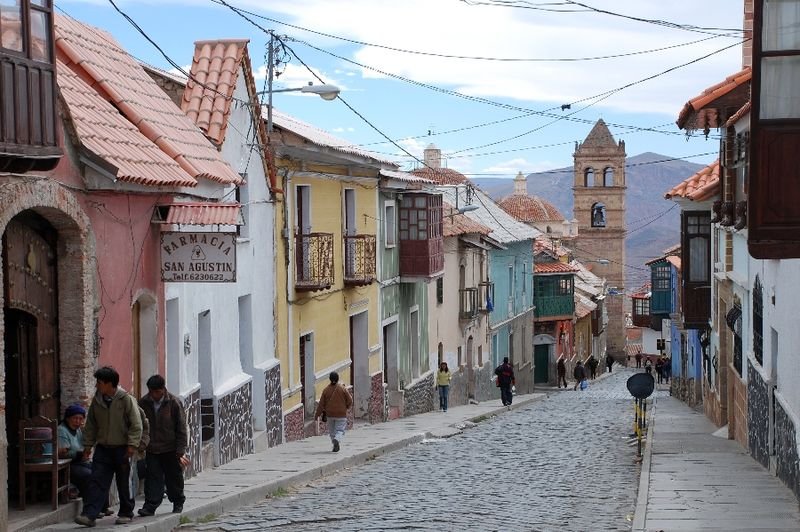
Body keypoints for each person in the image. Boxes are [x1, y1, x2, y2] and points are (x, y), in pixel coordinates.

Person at [75, 366, 143, 527]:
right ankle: (90, 514)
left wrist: (132, 445)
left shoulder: (125, 399)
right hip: (103, 449)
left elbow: (136, 424)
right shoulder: (97, 401)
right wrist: (87, 446)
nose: (97, 386)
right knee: (96, 480)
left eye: (99, 382)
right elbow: (91, 425)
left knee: (123, 482)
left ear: (109, 384)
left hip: (122, 448)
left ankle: (126, 512)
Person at [138, 375, 188, 517]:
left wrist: (180, 450)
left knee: (174, 478)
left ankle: (178, 502)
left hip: (170, 449)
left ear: (162, 389)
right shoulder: (143, 403)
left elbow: (181, 428)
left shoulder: (173, 403)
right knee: (153, 478)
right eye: (151, 392)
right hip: (152, 448)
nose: (153, 395)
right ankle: (150, 506)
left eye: (156, 392)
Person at [58, 404, 92, 500]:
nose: (78, 421)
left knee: (100, 471)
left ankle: (102, 507)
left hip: (79, 462)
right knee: (88, 475)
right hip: (67, 465)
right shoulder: (62, 430)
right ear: (68, 418)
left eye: (80, 419)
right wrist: (80, 455)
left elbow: (81, 447)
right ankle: (89, 506)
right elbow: (63, 453)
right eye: (75, 418)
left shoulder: (78, 430)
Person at [314, 372, 353, 452]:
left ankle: (334, 442)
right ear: (338, 378)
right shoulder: (342, 389)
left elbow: (321, 404)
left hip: (330, 414)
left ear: (330, 379)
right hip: (341, 414)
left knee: (332, 431)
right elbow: (350, 400)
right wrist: (347, 407)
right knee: (340, 430)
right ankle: (337, 439)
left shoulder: (326, 390)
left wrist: (317, 415)